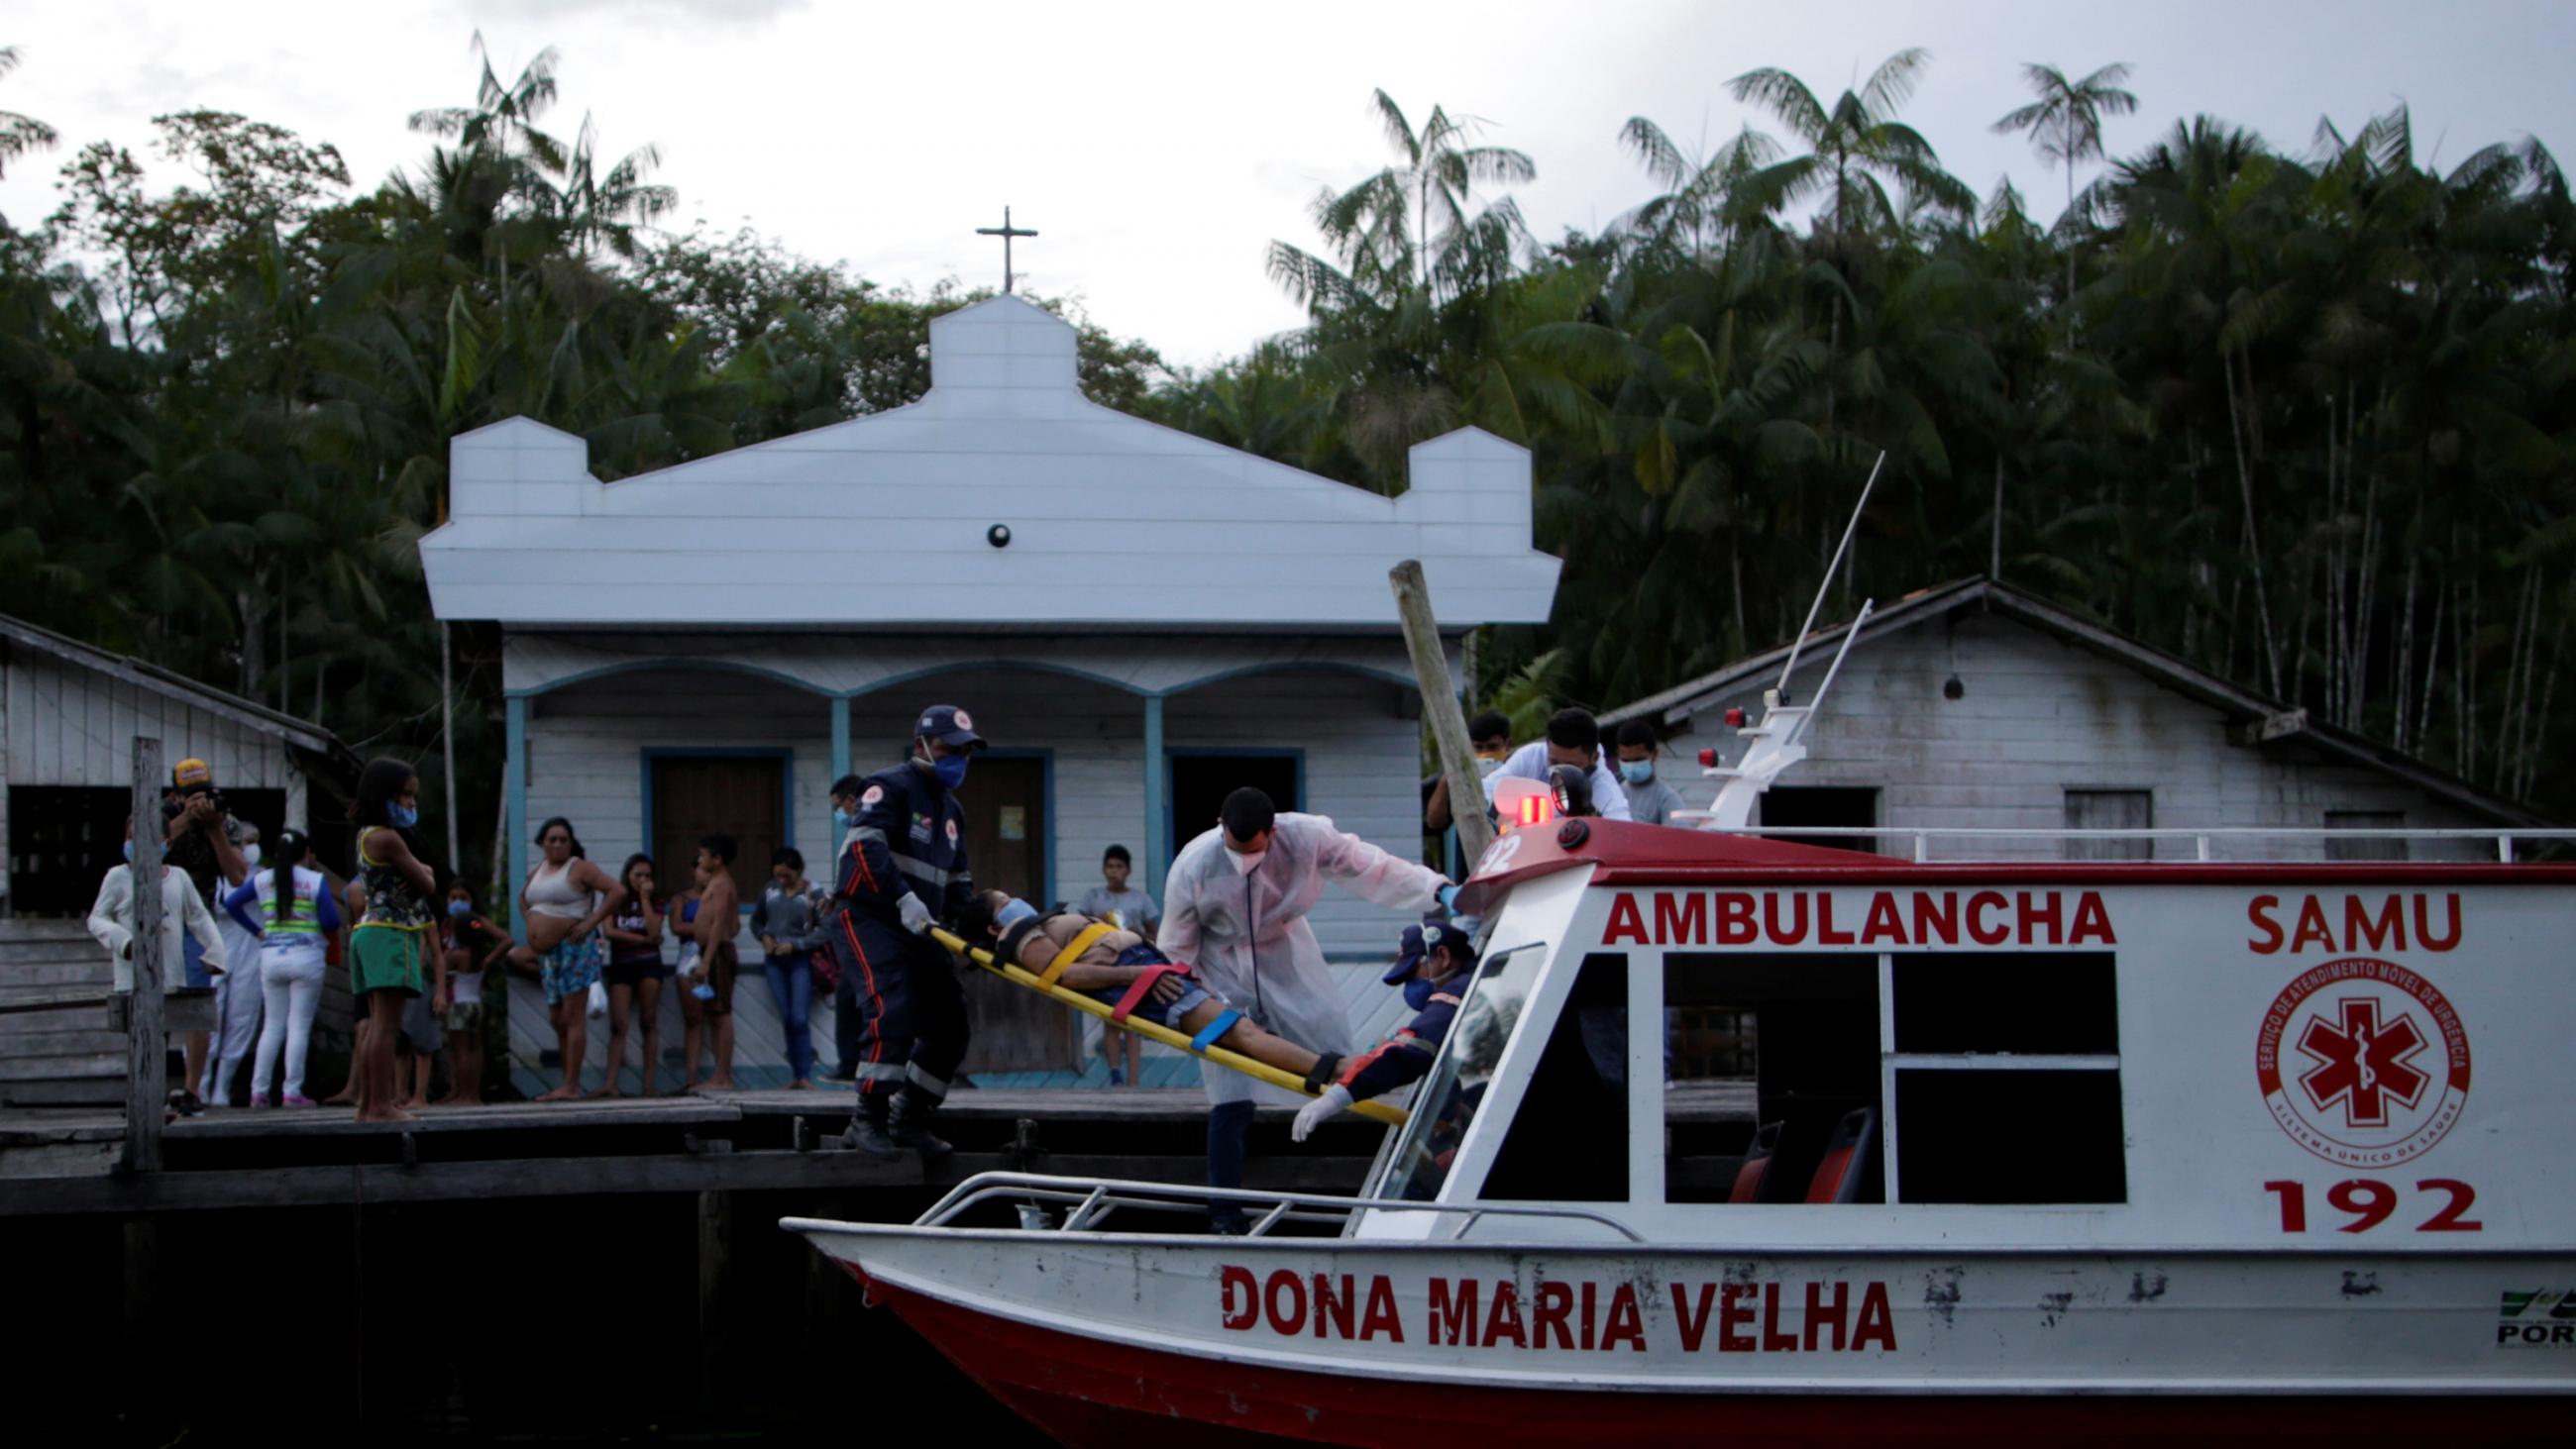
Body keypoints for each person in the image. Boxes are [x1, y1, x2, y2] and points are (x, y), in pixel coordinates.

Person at [1161, 786, 1456, 1231]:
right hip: (1219, 965)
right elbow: (1177, 943)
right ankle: (1224, 1211)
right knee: (1228, 1081)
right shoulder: (1194, 863)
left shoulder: (1307, 836)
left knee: (1332, 1046)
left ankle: (1365, 1185)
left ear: (1273, 832)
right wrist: (1187, 996)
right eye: (1236, 849)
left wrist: (1438, 890)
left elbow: (1373, 867)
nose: (1245, 860)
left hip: (1286, 953)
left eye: (1255, 849)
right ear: (1221, 828)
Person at [959, 888, 1326, 1081]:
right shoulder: (1019, 935)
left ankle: (1327, 1071)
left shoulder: (1033, 928)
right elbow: (1066, 977)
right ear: (995, 927)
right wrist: (1142, 975)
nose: (1015, 901)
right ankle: (1335, 1071)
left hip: (1145, 967)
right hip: (1143, 977)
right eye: (1005, 902)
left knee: (1241, 1034)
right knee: (1242, 1033)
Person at [829, 705, 982, 1159]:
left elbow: (958, 885)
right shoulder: (888, 787)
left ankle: (910, 1117)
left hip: (922, 928)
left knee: (951, 1024)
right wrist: (901, 897)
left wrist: (975, 930)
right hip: (870, 917)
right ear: (920, 747)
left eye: (965, 751)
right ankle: (868, 1118)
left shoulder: (952, 810)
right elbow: (865, 849)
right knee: (892, 1009)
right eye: (948, 749)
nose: (958, 758)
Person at [88, 815, 228, 1116]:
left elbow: (199, 917)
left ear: (166, 843)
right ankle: (141, 1101)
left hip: (169, 975)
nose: (136, 843)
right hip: (133, 977)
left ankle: (151, 1102)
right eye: (131, 836)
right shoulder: (118, 877)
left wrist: (216, 951)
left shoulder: (178, 878)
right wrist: (123, 941)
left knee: (161, 1037)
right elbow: (97, 918)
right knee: (142, 1038)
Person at [1293, 921, 1476, 1141]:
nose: (1411, 984)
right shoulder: (1481, 979)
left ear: (1443, 956)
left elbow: (1411, 1052)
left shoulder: (1460, 989)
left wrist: (1334, 1099)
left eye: (1413, 973)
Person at [348, 759, 442, 1124]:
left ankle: (368, 1106)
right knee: (387, 1026)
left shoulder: (365, 834)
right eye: (404, 795)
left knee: (375, 1023)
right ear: (383, 794)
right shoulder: (387, 837)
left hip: (367, 930)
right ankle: (382, 1105)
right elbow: (428, 882)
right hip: (391, 933)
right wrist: (425, 871)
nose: (410, 803)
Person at [221, 829, 338, 1107]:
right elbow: (332, 921)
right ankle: (291, 1092)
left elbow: (232, 903)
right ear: (306, 854)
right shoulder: (315, 881)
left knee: (272, 1026)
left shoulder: (262, 880)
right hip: (307, 958)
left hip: (272, 957)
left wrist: (258, 931)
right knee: (298, 1026)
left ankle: (258, 1092)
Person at [518, 817, 626, 1101]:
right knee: (556, 1018)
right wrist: (532, 920)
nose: (557, 844)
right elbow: (523, 898)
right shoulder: (538, 871)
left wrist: (591, 923)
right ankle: (565, 1082)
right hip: (548, 955)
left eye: (563, 839)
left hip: (574, 947)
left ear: (570, 843)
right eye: (551, 839)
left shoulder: (580, 868)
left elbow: (617, 890)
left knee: (572, 1015)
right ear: (542, 843)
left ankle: (571, 1085)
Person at [161, 758, 250, 1104]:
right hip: (158, 920)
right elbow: (139, 852)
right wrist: (184, 819)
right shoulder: (162, 816)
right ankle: (150, 1084)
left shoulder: (224, 822)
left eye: (204, 794)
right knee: (156, 1003)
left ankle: (192, 1089)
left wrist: (213, 828)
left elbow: (239, 877)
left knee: (197, 1003)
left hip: (197, 923)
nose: (199, 801)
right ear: (176, 796)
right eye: (191, 795)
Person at [1074, 844, 1160, 1086]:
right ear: (1104, 869)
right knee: (1110, 1017)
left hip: (1134, 961)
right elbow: (1077, 929)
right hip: (1105, 962)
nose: (1114, 872)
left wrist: (1139, 933)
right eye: (1110, 866)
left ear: (1128, 870)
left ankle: (1133, 1079)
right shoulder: (1094, 897)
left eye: (1119, 867)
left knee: (1132, 1019)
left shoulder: (1140, 899)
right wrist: (1096, 924)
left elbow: (1154, 934)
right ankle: (1115, 1075)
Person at [198, 821, 266, 1107]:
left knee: (242, 1018)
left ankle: (222, 1087)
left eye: (254, 841)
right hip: (215, 950)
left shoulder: (263, 877)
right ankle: (200, 1084)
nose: (250, 848)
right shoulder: (210, 876)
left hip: (250, 952)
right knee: (208, 1018)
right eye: (245, 842)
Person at [753, 847, 830, 1090]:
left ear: (798, 871)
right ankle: (796, 1075)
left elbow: (825, 930)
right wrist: (763, 936)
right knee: (787, 1017)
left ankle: (805, 1073)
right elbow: (756, 920)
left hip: (800, 960)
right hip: (774, 959)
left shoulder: (813, 892)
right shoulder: (770, 890)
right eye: (778, 875)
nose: (782, 880)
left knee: (799, 1017)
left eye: (786, 875)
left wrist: (796, 945)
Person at [436, 882, 517, 1106]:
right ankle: (473, 1095)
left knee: (460, 1050)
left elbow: (440, 968)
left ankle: (462, 1095)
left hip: (459, 1006)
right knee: (476, 1049)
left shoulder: (454, 955)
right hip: (477, 1005)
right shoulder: (479, 956)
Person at [596, 854, 668, 1096]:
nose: (643, 879)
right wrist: (643, 939)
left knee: (648, 1021)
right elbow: (609, 931)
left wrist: (645, 899)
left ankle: (648, 1085)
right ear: (628, 875)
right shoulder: (616, 898)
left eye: (647, 875)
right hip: (622, 963)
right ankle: (610, 1084)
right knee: (619, 1024)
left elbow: (656, 930)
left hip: (649, 963)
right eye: (638, 875)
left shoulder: (656, 900)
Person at [1482, 707, 1631, 822]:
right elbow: (1485, 790)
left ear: (1594, 757)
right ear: (1547, 746)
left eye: (1571, 765)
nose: (1559, 770)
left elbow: (1623, 831)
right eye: (1553, 762)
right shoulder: (1530, 758)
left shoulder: (1606, 791)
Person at [687, 834, 743, 1091]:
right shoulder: (716, 883)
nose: (700, 860)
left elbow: (721, 923)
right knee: (712, 1010)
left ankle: (723, 1076)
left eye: (703, 856)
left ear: (717, 859)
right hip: (709, 950)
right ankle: (719, 1075)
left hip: (717, 952)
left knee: (721, 1012)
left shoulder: (722, 884)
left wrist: (707, 961)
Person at [1423, 709, 1516, 834]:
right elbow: (1434, 822)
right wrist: (1446, 782)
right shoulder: (1462, 779)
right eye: (1478, 747)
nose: (1485, 753)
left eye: (1492, 747)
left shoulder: (1518, 773)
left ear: (1508, 744)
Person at [667, 867, 711, 1090]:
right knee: (692, 1018)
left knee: (717, 1015)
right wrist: (705, 928)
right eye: (702, 870)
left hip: (713, 956)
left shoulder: (718, 896)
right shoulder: (681, 898)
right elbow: (676, 926)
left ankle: (720, 1074)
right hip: (688, 956)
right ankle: (691, 1077)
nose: (706, 875)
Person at [1613, 718, 1686, 826]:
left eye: (1638, 760)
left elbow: (1676, 840)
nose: (1632, 767)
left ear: (1655, 754)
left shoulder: (1667, 799)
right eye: (1626, 760)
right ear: (1618, 755)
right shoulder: (1614, 794)